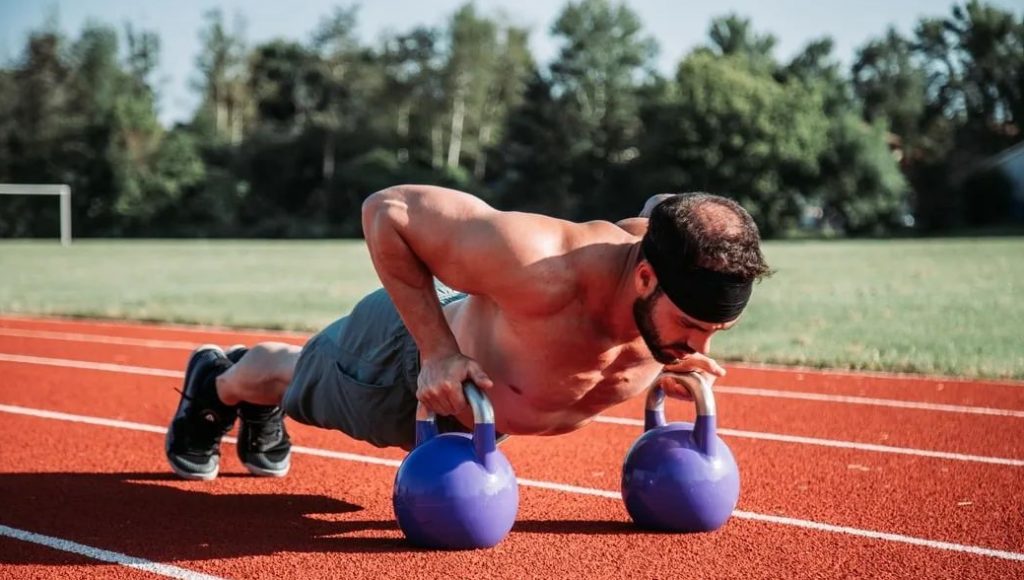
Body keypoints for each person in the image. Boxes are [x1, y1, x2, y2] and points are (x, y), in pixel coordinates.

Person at [164, 185, 771, 480]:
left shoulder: (672, 262)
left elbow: (666, 203)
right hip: (400, 368)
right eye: (691, 329)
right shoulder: (543, 263)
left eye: (717, 332)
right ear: (643, 277)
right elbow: (388, 212)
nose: (701, 350)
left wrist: (675, 345)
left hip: (482, 397)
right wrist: (436, 352)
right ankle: (223, 381)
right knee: (294, 377)